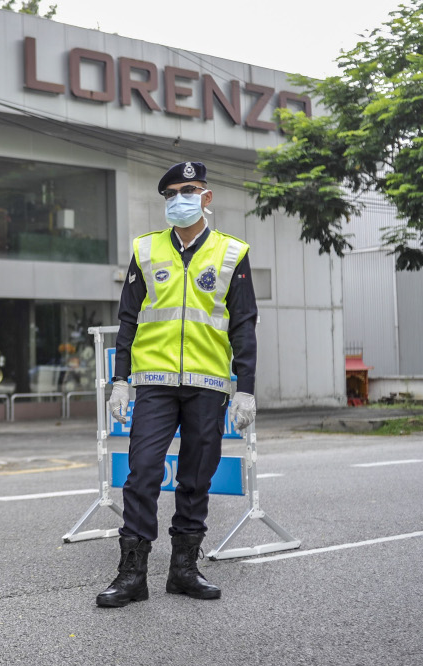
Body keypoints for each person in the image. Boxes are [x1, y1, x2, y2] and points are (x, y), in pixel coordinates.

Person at [97, 161, 258, 608]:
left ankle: (184, 570)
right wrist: (121, 380)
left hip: (208, 384)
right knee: (143, 471)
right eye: (170, 194)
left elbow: (244, 324)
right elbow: (128, 319)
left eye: (188, 191)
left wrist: (245, 387)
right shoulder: (146, 250)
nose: (178, 200)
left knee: (195, 477)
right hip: (154, 383)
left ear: (206, 198)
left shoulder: (232, 253)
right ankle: (132, 575)